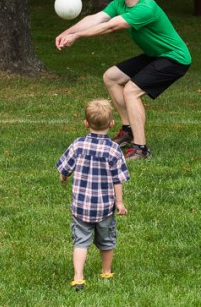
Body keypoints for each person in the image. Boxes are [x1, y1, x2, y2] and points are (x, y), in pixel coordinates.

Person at [55, 0, 192, 160]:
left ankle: (141, 149)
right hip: (156, 55)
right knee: (111, 77)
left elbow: (109, 27)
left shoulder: (146, 8)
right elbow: (97, 18)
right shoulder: (119, 4)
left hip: (175, 58)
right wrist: (68, 32)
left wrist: (77, 37)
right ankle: (128, 130)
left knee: (131, 91)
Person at [57, 99, 130, 291]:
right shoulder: (114, 150)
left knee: (80, 241)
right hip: (105, 207)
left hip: (81, 206)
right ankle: (106, 271)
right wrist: (120, 203)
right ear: (112, 123)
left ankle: (78, 277)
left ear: (86, 123)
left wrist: (63, 176)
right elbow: (118, 179)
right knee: (106, 240)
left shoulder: (78, 145)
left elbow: (65, 167)